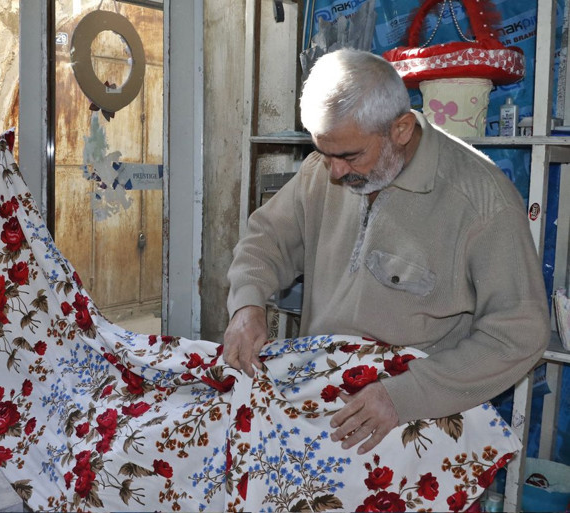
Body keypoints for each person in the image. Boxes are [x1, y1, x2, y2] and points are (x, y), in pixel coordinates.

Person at [223, 48, 549, 456]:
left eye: (349, 155)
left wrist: (406, 394)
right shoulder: (322, 170)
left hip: (412, 416)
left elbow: (521, 332)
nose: (335, 172)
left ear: (401, 129)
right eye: (325, 153)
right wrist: (247, 304)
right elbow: (265, 240)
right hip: (320, 399)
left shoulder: (482, 200)